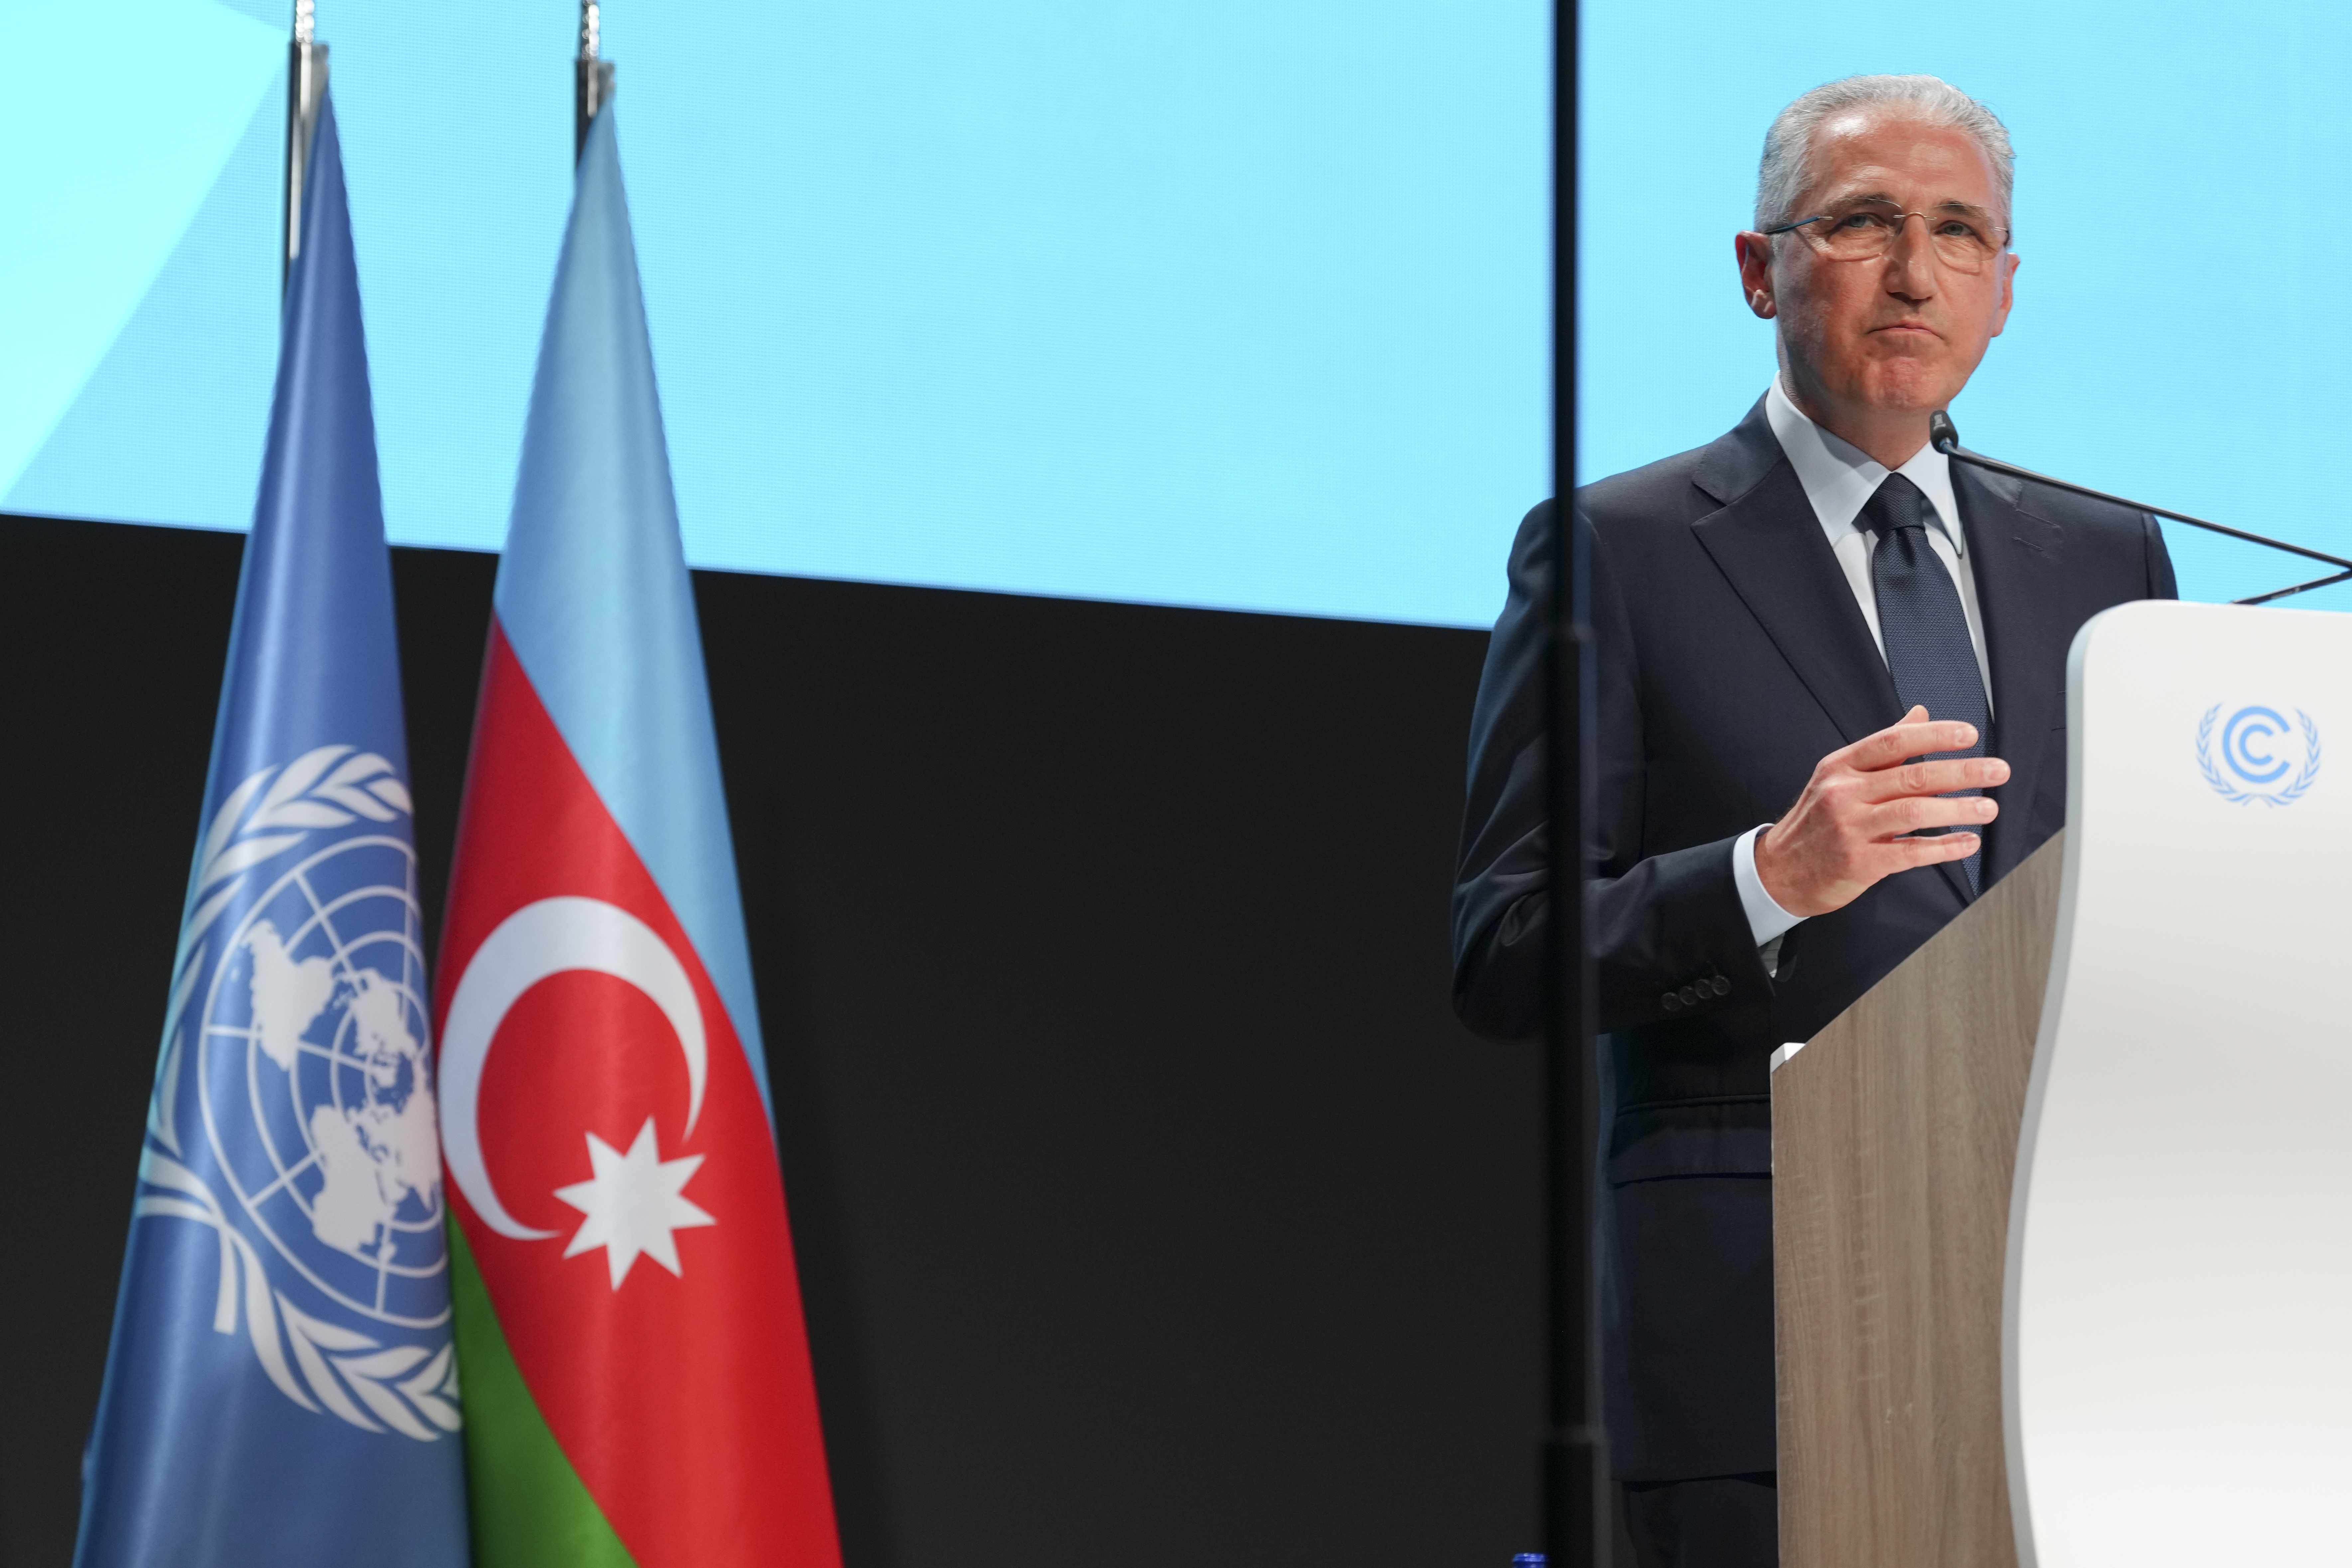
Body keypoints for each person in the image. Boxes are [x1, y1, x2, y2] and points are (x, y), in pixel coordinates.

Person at [1451, 74, 2176, 1567]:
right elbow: (1506, 948)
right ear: (1756, 266)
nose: (1915, 271)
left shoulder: (2102, 557)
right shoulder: (1614, 550)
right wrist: (1764, 878)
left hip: (2072, 1323)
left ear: (2004, 291)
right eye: (1861, 222)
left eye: (1958, 232)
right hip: (1764, 1317)